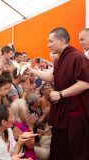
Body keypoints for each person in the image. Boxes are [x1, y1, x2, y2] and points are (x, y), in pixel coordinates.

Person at [30, 27, 89, 160]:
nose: (48, 45)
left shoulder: (77, 57)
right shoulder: (60, 59)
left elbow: (85, 83)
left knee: (74, 150)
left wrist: (61, 94)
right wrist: (31, 70)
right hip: (63, 111)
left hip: (74, 114)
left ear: (61, 40)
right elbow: (51, 77)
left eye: (51, 41)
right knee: (60, 148)